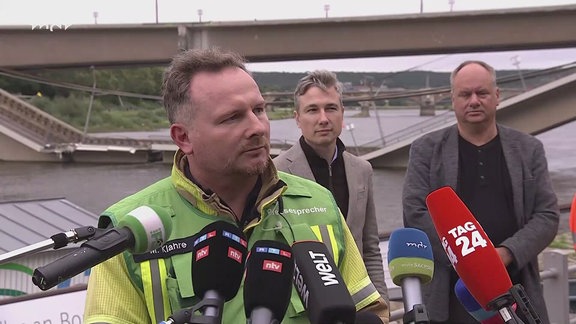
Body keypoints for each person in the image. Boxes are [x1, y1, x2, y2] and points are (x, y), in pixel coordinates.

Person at [83, 48, 389, 324]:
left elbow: (370, 312)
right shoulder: (129, 228)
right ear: (183, 138)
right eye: (232, 117)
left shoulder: (319, 203)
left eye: (258, 109)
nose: (257, 127)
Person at [402, 60, 559, 323]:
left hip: (517, 290)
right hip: (451, 297)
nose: (473, 101)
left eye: (482, 93)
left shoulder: (529, 149)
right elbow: (415, 213)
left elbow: (546, 216)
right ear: (452, 99)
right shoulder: (426, 150)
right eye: (465, 94)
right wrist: (471, 262)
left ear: (497, 96)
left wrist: (504, 254)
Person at [273, 70, 389, 306]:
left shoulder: (362, 170)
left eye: (331, 108)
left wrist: (382, 304)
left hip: (357, 303)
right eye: (313, 110)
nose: (323, 118)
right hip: (300, 307)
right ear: (297, 118)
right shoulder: (276, 173)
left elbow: (369, 248)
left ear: (342, 113)